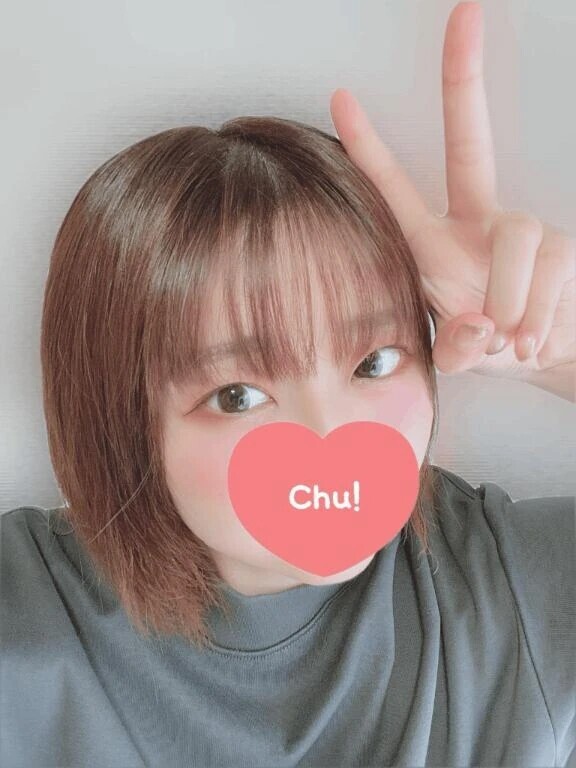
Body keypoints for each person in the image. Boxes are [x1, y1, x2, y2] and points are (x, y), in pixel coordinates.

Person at [1, 2, 574, 766]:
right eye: (237, 395)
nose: (330, 435)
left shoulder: (507, 589)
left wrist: (564, 354)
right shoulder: (26, 618)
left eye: (373, 362)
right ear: (120, 419)